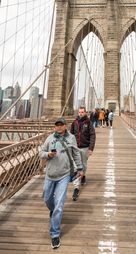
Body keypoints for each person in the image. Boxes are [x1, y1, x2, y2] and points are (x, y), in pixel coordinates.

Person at [39, 117, 83, 249]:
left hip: (63, 175)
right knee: (47, 199)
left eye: (61, 125)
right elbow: (40, 152)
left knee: (59, 204)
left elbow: (76, 154)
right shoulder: (49, 138)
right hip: (50, 174)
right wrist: (48, 155)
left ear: (65, 126)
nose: (58, 127)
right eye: (56, 125)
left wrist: (80, 168)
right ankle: (52, 211)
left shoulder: (71, 138)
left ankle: (55, 234)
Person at [70, 106, 96, 201]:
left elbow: (93, 135)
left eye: (82, 112)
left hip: (85, 147)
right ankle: (76, 188)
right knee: (76, 167)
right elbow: (71, 134)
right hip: (76, 148)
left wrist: (91, 148)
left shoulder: (88, 123)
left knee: (83, 165)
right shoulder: (74, 122)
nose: (80, 113)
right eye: (79, 112)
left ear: (85, 113)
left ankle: (83, 175)